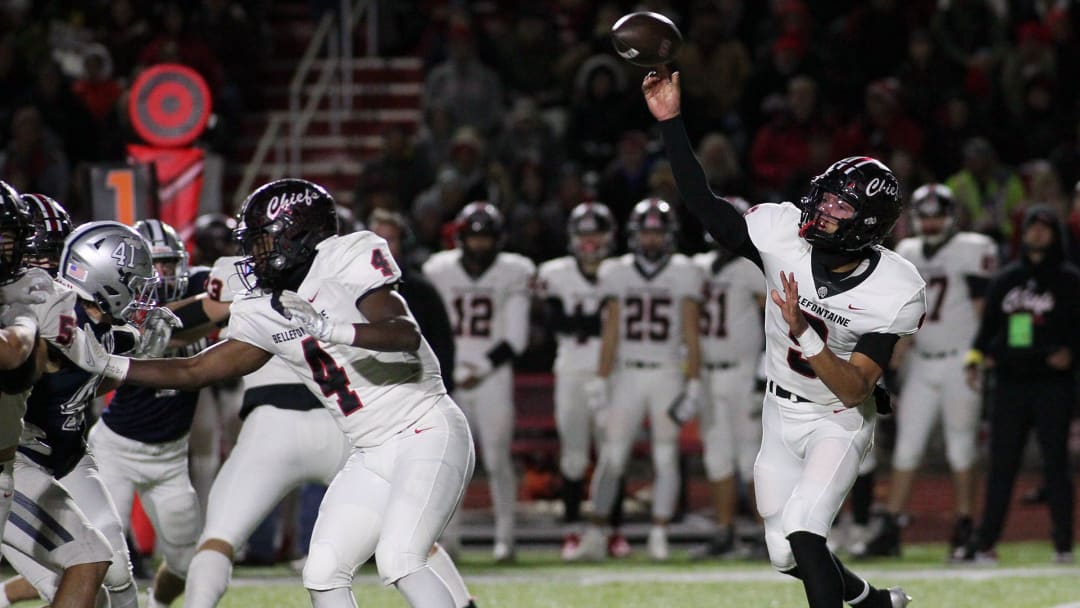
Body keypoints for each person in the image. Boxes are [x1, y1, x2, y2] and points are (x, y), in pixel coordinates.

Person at [68, 178, 476, 608]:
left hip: (425, 427)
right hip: (369, 450)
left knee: (401, 558)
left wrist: (329, 328)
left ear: (296, 233)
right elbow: (197, 368)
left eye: (261, 241)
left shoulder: (346, 256)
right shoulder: (264, 304)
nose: (252, 254)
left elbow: (404, 335)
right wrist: (110, 365)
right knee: (322, 572)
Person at [644, 67, 921, 607]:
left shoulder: (894, 288)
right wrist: (671, 122)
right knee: (783, 552)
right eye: (826, 195)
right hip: (779, 410)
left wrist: (804, 332)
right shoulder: (781, 237)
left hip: (836, 420)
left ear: (867, 224)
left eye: (841, 206)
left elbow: (855, 389)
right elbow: (706, 206)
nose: (821, 207)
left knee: (803, 530)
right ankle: (871, 602)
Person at [3, 219, 162, 608]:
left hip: (68, 455)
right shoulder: (40, 318)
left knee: (109, 572)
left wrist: (120, 360)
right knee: (88, 570)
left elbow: (86, 383)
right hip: (22, 459)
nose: (41, 268)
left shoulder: (102, 325)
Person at [859, 184, 996, 560]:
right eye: (926, 215)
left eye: (938, 214)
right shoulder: (908, 252)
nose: (932, 222)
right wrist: (894, 359)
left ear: (951, 216)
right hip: (921, 361)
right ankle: (890, 526)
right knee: (906, 448)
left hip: (959, 361)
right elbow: (903, 315)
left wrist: (981, 357)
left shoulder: (973, 248)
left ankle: (965, 526)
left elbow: (985, 311)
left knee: (961, 447)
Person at [569, 198, 704, 562]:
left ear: (669, 235)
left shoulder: (684, 271)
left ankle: (659, 533)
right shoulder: (617, 271)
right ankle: (597, 531)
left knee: (665, 456)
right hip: (627, 372)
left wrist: (693, 382)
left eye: (657, 232)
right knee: (612, 456)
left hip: (666, 374)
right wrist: (601, 378)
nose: (651, 239)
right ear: (633, 234)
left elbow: (692, 333)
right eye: (646, 232)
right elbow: (610, 330)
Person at [87, 219, 202, 608]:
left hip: (171, 459)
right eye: (155, 265)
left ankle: (155, 605)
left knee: (188, 563)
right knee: (101, 560)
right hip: (115, 451)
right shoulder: (115, 313)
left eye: (169, 263)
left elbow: (219, 299)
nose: (164, 273)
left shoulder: (200, 294)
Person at [958, 206, 1080, 565]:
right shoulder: (1006, 279)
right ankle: (985, 544)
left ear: (1055, 235)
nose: (1038, 235)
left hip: (1052, 385)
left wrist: (1071, 353)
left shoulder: (1070, 280)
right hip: (1010, 385)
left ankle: (1062, 545)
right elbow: (988, 327)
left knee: (1056, 466)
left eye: (1045, 229)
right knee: (1001, 466)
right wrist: (976, 358)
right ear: (1023, 233)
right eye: (1033, 228)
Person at [423, 202, 535, 562]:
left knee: (498, 458)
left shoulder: (513, 271)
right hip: (449, 375)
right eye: (473, 237)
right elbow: (429, 328)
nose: (479, 245)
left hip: (492, 378)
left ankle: (506, 537)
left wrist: (479, 368)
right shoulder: (439, 270)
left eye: (485, 238)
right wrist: (451, 369)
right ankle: (448, 538)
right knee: (448, 460)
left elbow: (516, 338)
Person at [536, 202, 630, 560]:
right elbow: (553, 324)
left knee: (614, 454)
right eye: (584, 235)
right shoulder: (556, 273)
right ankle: (572, 529)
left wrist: (583, 322)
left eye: (596, 234)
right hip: (572, 371)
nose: (590, 243)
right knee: (573, 456)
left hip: (614, 372)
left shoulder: (621, 272)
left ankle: (612, 529)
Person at [690, 199, 767, 560]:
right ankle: (725, 532)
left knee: (751, 457)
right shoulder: (696, 267)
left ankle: (771, 535)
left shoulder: (753, 268)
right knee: (717, 456)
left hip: (742, 373)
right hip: (707, 374)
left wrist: (763, 372)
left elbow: (778, 323)